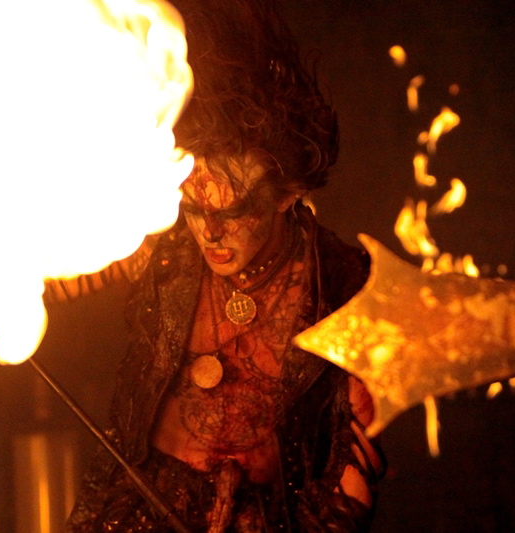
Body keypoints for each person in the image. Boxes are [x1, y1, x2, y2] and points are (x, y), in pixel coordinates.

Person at [66, 0, 383, 531]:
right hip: (136, 516)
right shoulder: (163, 249)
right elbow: (58, 273)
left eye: (234, 212)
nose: (210, 232)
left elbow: (355, 470)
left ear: (287, 193)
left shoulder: (342, 288)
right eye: (194, 209)